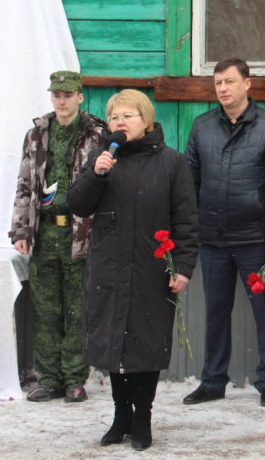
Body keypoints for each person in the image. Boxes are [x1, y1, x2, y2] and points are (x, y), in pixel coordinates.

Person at [68, 89, 199, 451]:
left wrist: (183, 267)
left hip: (152, 269)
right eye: (113, 117)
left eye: (128, 116)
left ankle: (142, 418)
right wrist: (95, 174)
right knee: (114, 344)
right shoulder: (103, 158)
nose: (119, 123)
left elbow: (187, 221)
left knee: (145, 346)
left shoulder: (172, 163)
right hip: (109, 268)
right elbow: (77, 204)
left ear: (147, 120)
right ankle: (120, 416)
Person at [181, 58, 265, 408]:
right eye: (218, 83)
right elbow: (190, 182)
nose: (223, 89)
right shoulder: (202, 126)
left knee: (264, 312)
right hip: (213, 238)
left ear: (248, 84)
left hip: (255, 239)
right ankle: (213, 380)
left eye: (230, 81)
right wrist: (191, 229)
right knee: (216, 312)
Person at [8, 70, 107, 403]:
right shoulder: (37, 135)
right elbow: (25, 183)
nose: (62, 101)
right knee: (46, 308)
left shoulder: (95, 133)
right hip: (46, 230)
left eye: (68, 95)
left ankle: (75, 378)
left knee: (77, 307)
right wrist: (21, 229)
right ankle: (48, 377)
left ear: (80, 96)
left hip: (81, 232)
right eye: (56, 95)